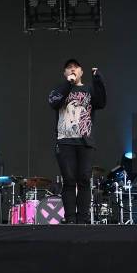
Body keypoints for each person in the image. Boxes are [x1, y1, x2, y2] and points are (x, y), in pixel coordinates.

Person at [48, 59, 106, 224]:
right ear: (65, 73)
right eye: (68, 68)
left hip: (85, 142)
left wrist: (98, 80)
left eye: (75, 68)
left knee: (84, 180)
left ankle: (82, 219)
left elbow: (101, 102)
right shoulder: (59, 89)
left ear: (81, 72)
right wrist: (68, 84)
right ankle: (70, 219)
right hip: (65, 141)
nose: (72, 70)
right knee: (69, 180)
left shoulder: (89, 89)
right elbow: (54, 102)